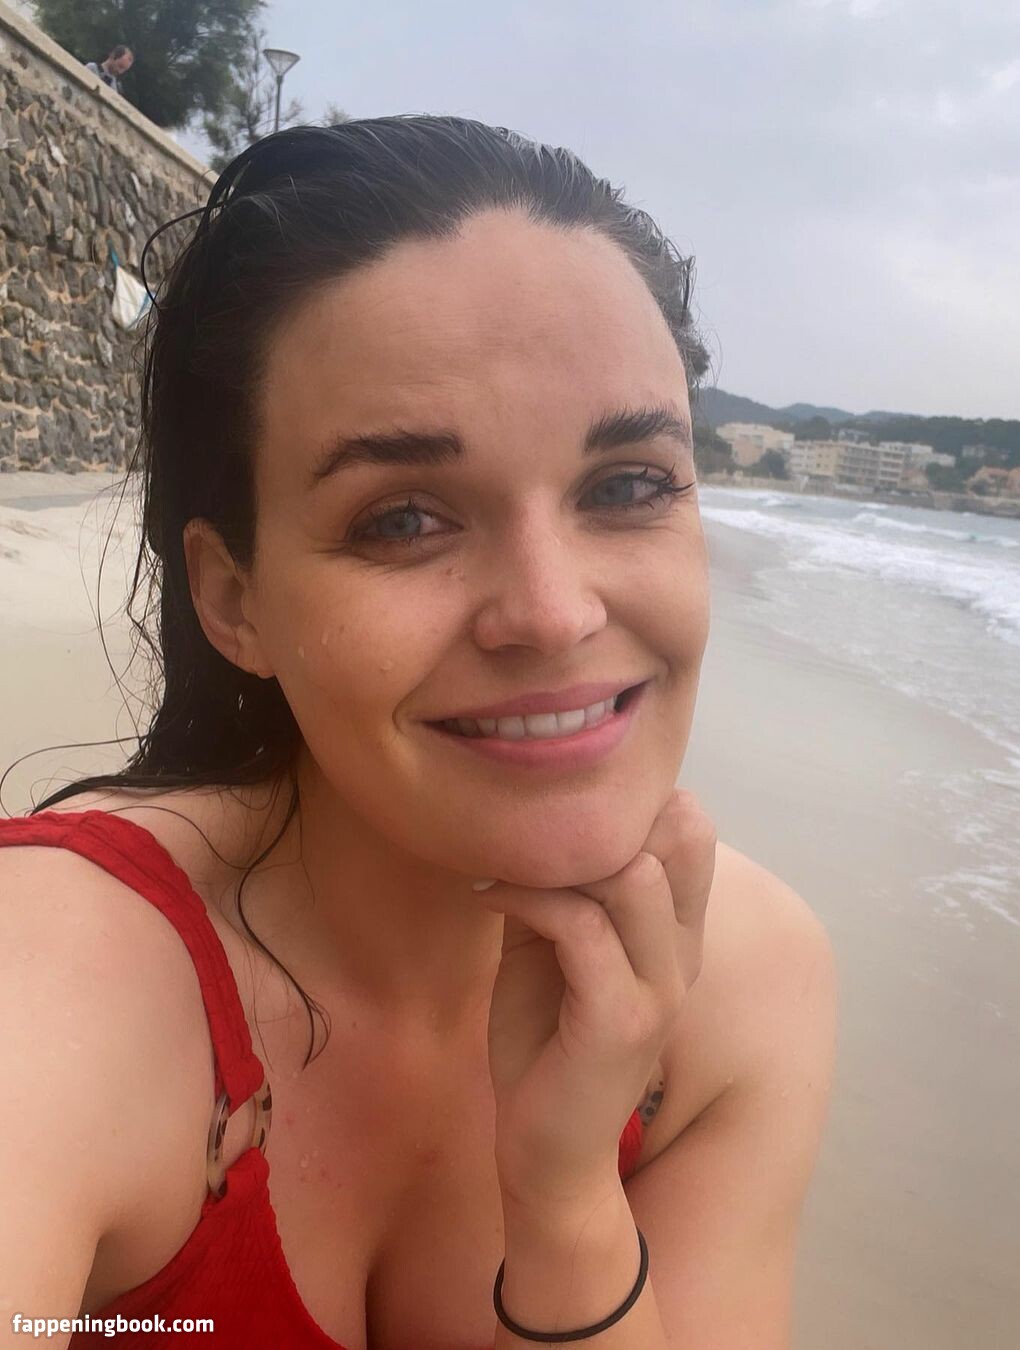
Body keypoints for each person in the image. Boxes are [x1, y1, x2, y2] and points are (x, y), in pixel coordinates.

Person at [0, 117, 836, 1348]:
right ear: (234, 599)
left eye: (626, 485)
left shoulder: (744, 986)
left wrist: (567, 1209)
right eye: (401, 518)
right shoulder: (52, 985)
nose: (553, 613)